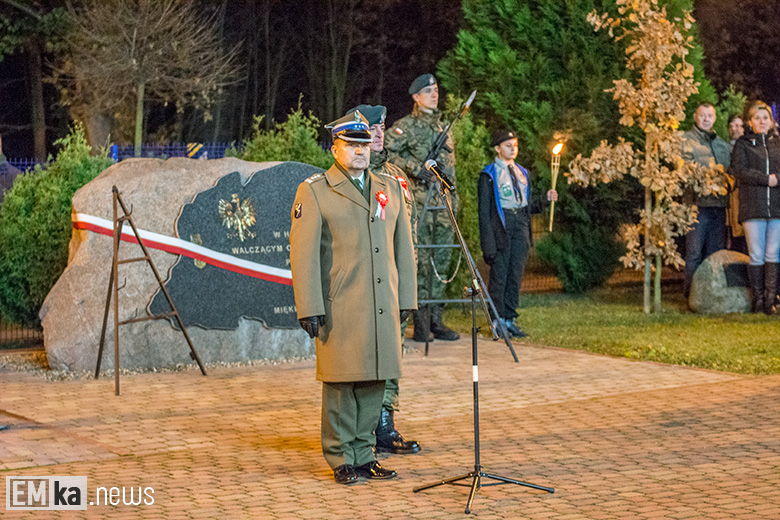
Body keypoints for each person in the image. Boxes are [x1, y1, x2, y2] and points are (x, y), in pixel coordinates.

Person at [289, 110, 417, 484]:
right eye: (352, 145)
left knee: (376, 379)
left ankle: (365, 454)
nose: (360, 152)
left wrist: (406, 296)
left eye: (364, 145)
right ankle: (341, 457)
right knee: (343, 383)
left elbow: (403, 248)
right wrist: (309, 306)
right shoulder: (314, 191)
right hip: (341, 303)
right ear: (335, 148)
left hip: (382, 303)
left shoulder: (389, 188)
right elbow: (304, 254)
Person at [347, 104, 421, 456]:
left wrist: (408, 287)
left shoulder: (394, 176)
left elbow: (408, 236)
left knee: (392, 355)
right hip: (360, 285)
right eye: (370, 128)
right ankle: (357, 430)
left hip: (391, 280)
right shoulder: (347, 176)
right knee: (359, 358)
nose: (378, 133)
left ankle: (384, 423)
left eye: (381, 127)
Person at [385, 73, 460, 343]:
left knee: (441, 263)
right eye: (428, 91)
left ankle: (436, 321)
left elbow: (451, 170)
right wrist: (416, 169)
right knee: (420, 265)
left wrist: (455, 199)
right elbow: (385, 152)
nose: (434, 94)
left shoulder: (444, 129)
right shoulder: (406, 127)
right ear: (416, 97)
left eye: (436, 89)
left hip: (444, 207)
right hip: (420, 205)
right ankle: (420, 323)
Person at [478, 130, 556, 338]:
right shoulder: (489, 174)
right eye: (508, 145)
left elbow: (527, 207)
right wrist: (488, 244)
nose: (513, 149)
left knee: (515, 274)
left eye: (515, 145)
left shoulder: (522, 172)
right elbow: (484, 213)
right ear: (497, 148)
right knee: (500, 275)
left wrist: (544, 200)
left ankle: (510, 319)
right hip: (501, 227)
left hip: (520, 223)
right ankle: (497, 320)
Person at [731, 101, 780, 315]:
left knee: (774, 253)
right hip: (753, 207)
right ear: (750, 121)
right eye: (757, 118)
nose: (762, 121)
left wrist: (776, 179)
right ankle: (757, 299)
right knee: (757, 254)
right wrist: (765, 179)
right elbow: (740, 170)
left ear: (771, 122)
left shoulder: (778, 143)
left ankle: (771, 299)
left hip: (776, 208)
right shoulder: (743, 144)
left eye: (765, 118)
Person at [681, 103, 731, 297]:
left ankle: (711, 295)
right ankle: (690, 294)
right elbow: (683, 168)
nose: (706, 119)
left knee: (715, 253)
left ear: (715, 118)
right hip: (696, 206)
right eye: (702, 115)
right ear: (695, 117)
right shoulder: (685, 140)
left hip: (718, 207)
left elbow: (730, 171)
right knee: (693, 253)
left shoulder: (722, 144)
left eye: (709, 116)